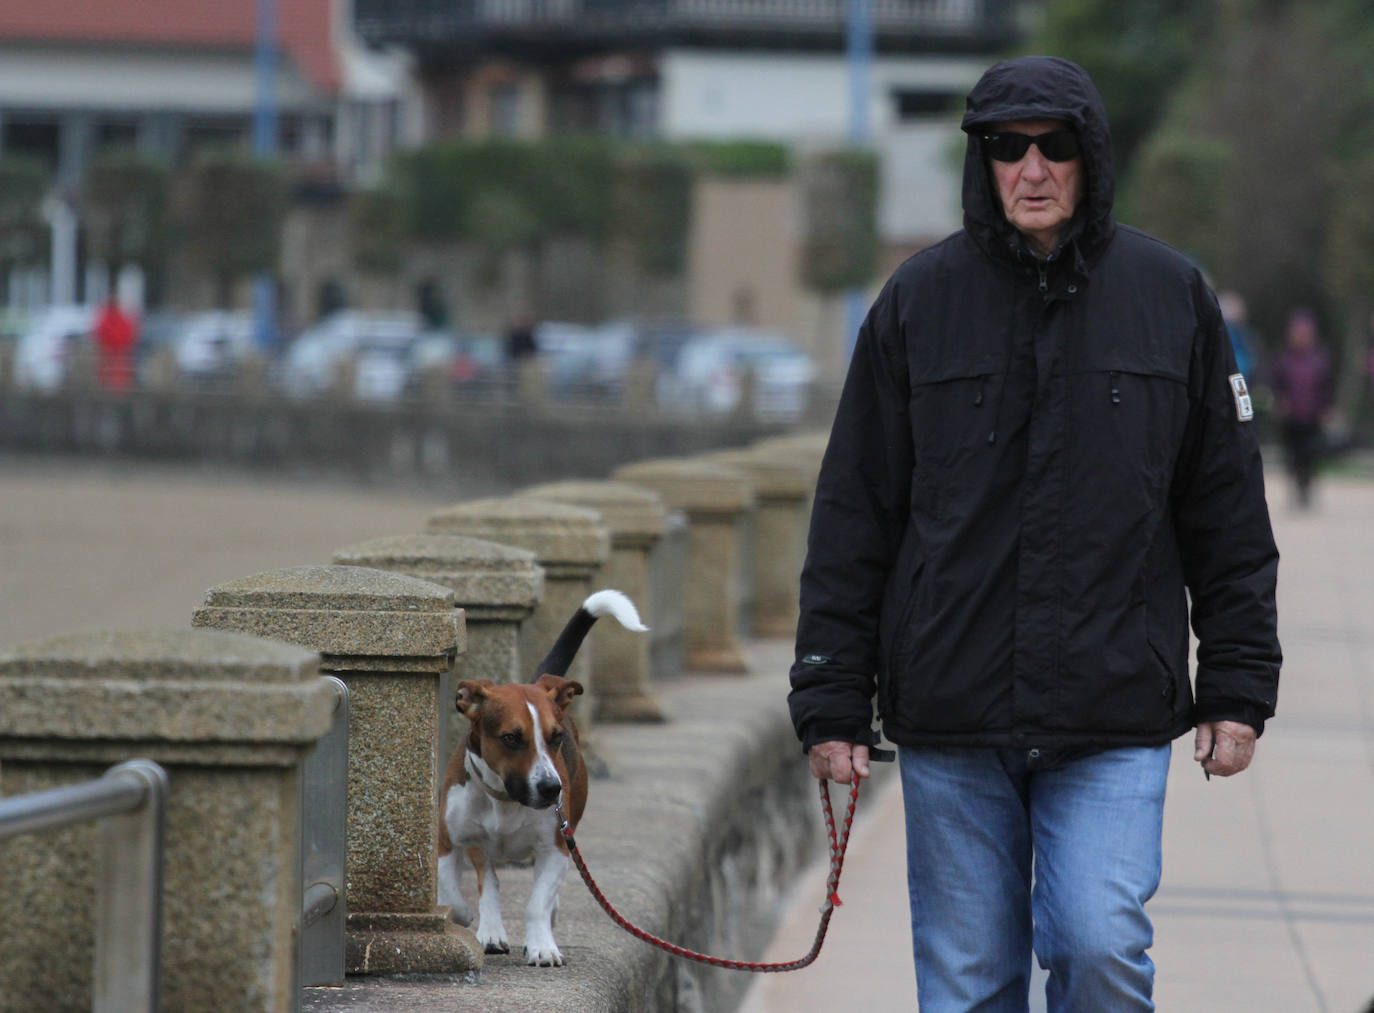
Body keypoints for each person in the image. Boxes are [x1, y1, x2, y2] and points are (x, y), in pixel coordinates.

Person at [788, 56, 1281, 1012]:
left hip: (1115, 708)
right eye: (1007, 149)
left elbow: (1227, 512)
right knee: (969, 986)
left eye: (1055, 146)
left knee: (1100, 949)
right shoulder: (915, 302)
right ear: (984, 163)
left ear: (1090, 157)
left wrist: (1238, 687)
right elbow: (855, 511)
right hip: (951, 710)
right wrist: (830, 695)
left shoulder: (1172, 295)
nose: (1033, 168)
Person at [1270, 307, 1333, 509]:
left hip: (1312, 416)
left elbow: (1326, 387)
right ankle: (1297, 487)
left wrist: (1326, 408)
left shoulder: (1320, 360)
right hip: (1291, 418)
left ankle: (1306, 486)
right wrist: (1280, 402)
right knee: (1293, 455)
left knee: (1310, 454)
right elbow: (1276, 385)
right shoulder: (1283, 360)